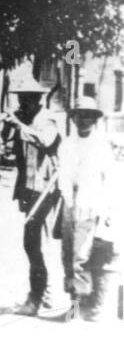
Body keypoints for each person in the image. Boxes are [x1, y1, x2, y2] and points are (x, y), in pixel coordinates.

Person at [2, 79, 61, 316]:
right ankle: (42, 293)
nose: (22, 102)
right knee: (31, 242)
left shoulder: (47, 119)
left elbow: (45, 141)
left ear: (37, 99)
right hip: (28, 188)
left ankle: (37, 296)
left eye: (27, 98)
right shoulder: (25, 120)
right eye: (20, 98)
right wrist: (10, 125)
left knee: (35, 242)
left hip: (45, 188)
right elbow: (10, 146)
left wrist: (17, 123)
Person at [58, 97, 116, 322]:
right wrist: (67, 202)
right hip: (69, 206)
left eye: (88, 116)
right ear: (73, 118)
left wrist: (107, 211)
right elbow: (63, 176)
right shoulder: (67, 144)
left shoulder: (101, 146)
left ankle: (86, 306)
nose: (83, 120)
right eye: (80, 115)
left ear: (95, 119)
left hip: (92, 206)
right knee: (68, 256)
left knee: (82, 257)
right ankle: (73, 305)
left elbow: (109, 180)